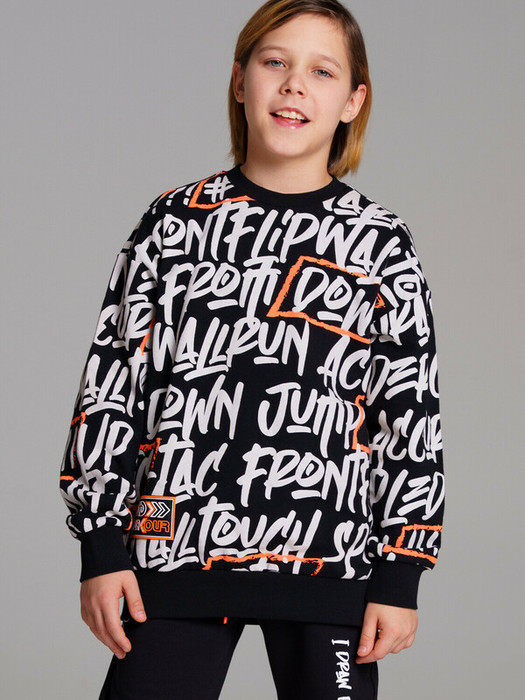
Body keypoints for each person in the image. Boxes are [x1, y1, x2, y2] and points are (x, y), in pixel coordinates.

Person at [59, 1, 445, 698]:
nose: (294, 84)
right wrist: (101, 546)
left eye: (322, 71)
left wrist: (400, 573)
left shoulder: (380, 243)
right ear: (240, 81)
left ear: (353, 101)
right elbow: (113, 386)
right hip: (172, 550)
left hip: (329, 561)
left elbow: (409, 416)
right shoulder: (174, 224)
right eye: (275, 62)